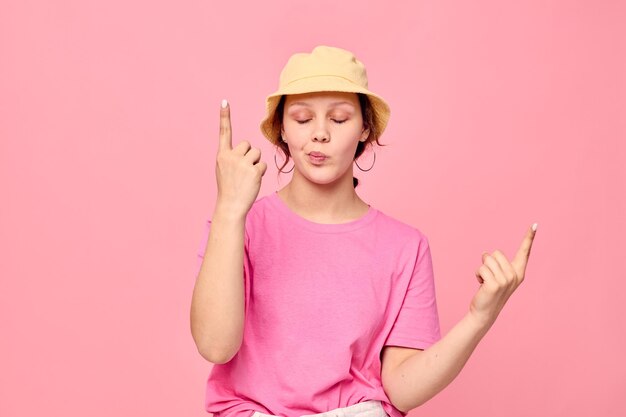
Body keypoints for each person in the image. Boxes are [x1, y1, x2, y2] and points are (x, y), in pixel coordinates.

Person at [190, 45, 537, 417]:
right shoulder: (240, 225)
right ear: (282, 131)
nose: (320, 134)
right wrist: (228, 209)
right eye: (302, 118)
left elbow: (402, 389)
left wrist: (479, 318)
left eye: (339, 119)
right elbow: (214, 346)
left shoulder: (405, 247)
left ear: (365, 128)